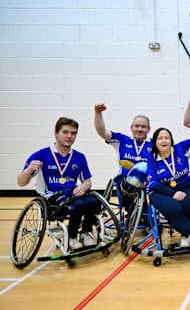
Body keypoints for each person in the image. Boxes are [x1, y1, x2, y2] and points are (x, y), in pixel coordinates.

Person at [17, 117, 98, 250]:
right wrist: (29, 170)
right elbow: (21, 183)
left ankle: (85, 233)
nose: (69, 136)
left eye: (73, 133)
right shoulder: (41, 155)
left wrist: (84, 186)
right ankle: (71, 237)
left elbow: (87, 180)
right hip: (51, 195)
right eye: (65, 132)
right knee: (78, 204)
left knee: (94, 200)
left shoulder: (79, 157)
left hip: (72, 193)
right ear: (56, 133)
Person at [146, 123, 190, 253]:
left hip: (185, 185)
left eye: (167, 138)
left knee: (188, 203)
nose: (164, 140)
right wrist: (173, 194)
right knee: (173, 207)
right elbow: (153, 183)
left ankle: (185, 236)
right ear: (155, 142)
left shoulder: (180, 149)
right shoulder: (151, 158)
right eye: (160, 138)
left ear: (171, 141)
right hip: (161, 191)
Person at [94, 103, 151, 214]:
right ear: (131, 127)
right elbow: (102, 132)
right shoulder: (122, 140)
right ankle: (132, 212)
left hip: (146, 181)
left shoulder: (154, 145)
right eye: (137, 126)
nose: (139, 129)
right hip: (124, 179)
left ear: (148, 129)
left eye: (143, 127)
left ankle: (144, 215)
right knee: (123, 182)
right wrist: (98, 113)